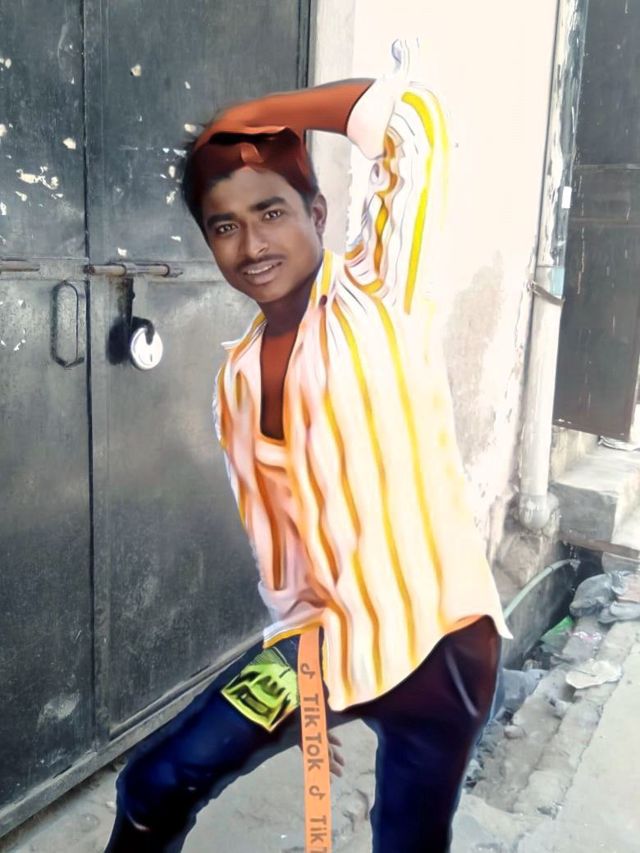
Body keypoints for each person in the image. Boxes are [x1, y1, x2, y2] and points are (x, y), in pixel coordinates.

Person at [104, 41, 512, 853]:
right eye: (224, 226)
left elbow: (416, 122)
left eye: (272, 212)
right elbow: (281, 552)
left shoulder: (377, 296)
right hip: (322, 644)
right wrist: (296, 673)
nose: (252, 245)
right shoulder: (235, 379)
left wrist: (256, 116)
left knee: (406, 835)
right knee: (155, 781)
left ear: (317, 215)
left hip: (439, 644)